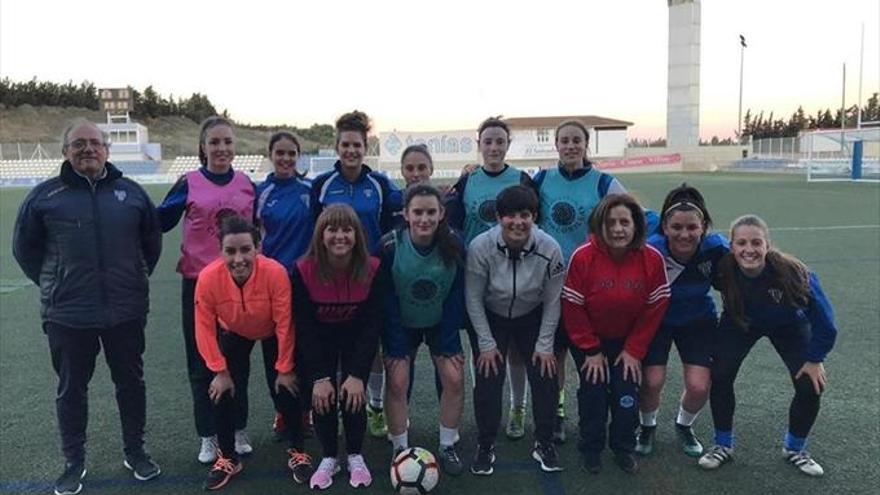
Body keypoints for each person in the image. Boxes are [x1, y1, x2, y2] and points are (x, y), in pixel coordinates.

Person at [12, 119, 162, 495]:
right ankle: (73, 462)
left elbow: (152, 246)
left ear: (107, 150)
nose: (87, 149)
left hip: (125, 311)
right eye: (78, 144)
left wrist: (132, 281)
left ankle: (135, 451)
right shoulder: (45, 197)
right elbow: (24, 250)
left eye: (94, 143)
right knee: (71, 389)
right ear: (65, 152)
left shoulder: (132, 193)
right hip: (68, 314)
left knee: (130, 383)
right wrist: (56, 284)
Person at [698, 215, 837, 477]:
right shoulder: (723, 265)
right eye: (741, 243)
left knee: (810, 383)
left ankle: (795, 448)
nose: (748, 249)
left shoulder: (794, 272)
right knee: (720, 374)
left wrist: (815, 359)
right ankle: (722, 445)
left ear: (767, 245)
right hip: (741, 322)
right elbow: (701, 238)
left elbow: (826, 322)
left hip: (789, 326)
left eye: (756, 242)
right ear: (731, 245)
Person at [157, 116, 257, 463]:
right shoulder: (189, 182)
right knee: (202, 364)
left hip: (240, 287)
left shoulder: (246, 183)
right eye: (214, 142)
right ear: (203, 147)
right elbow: (159, 221)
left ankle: (238, 427)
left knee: (238, 363)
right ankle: (209, 435)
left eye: (227, 142)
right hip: (199, 287)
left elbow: (258, 229)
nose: (222, 148)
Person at [194, 215, 311, 490]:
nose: (238, 259)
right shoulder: (208, 278)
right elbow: (203, 327)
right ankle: (228, 457)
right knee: (222, 389)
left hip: (270, 328)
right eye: (230, 251)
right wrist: (219, 371)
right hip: (234, 330)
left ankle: (297, 450)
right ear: (220, 251)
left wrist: (284, 368)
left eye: (246, 249)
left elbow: (285, 323)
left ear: (258, 248)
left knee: (288, 385)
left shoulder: (276, 272)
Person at [530, 119, 627, 443]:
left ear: (586, 145)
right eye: (565, 140)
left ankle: (601, 420)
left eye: (576, 140)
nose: (570, 146)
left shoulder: (603, 183)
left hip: (590, 284)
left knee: (590, 353)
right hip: (550, 283)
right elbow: (519, 210)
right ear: (556, 145)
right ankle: (557, 414)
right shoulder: (542, 179)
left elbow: (636, 217)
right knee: (553, 354)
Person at [561, 193, 670, 475]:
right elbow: (572, 306)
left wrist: (634, 349)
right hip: (592, 341)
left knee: (626, 395)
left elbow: (655, 306)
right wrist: (590, 350)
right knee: (594, 392)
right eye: (610, 222)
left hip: (628, 343)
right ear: (600, 225)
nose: (618, 229)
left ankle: (623, 447)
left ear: (636, 226)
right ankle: (591, 448)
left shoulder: (651, 259)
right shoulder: (583, 257)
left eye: (625, 222)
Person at [445, 117, 539, 441]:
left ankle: (517, 407)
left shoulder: (522, 179)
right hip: (477, 275)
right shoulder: (468, 180)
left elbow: (534, 222)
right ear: (480, 144)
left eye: (500, 141)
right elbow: (453, 221)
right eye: (488, 142)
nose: (494, 147)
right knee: (481, 346)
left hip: (517, 275)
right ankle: (486, 411)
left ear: (508, 145)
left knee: (514, 350)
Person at [311, 110, 400, 437]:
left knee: (371, 346)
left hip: (369, 276)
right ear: (337, 147)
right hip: (331, 277)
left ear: (366, 147)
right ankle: (328, 410)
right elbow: (313, 231)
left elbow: (397, 220)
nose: (351, 151)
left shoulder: (379, 184)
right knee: (333, 346)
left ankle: (374, 406)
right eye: (346, 145)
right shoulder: (322, 185)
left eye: (357, 145)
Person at [466, 185, 565, 475]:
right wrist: (486, 343)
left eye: (525, 215)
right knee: (488, 376)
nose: (518, 222)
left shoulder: (550, 247)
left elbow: (553, 300)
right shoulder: (480, 246)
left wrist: (545, 344)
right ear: (498, 217)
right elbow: (472, 297)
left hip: (531, 315)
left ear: (534, 216)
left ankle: (544, 442)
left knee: (545, 373)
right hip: (492, 314)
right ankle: (486, 444)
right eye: (510, 216)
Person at [291, 204, 387, 490]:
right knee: (321, 395)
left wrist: (357, 374)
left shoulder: (373, 268)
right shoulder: (302, 270)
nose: (340, 236)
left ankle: (355, 454)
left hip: (355, 340)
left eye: (347, 229)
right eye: (332, 229)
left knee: (353, 393)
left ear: (357, 235)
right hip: (319, 341)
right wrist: (320, 377)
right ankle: (330, 456)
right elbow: (304, 328)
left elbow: (372, 326)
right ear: (320, 235)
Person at [635, 184, 728, 458]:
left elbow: (737, 280)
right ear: (664, 226)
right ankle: (647, 426)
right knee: (651, 381)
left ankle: (684, 425)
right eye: (676, 227)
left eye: (692, 227)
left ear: (703, 227)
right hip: (657, 320)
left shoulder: (717, 248)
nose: (684, 234)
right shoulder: (651, 250)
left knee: (700, 385)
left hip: (698, 320)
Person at [379, 184, 466, 475]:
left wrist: (451, 338)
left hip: (440, 321)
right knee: (397, 380)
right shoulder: (390, 246)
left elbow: (457, 294)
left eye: (431, 212)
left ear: (442, 213)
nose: (424, 219)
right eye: (417, 212)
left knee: (454, 378)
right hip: (402, 323)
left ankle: (447, 445)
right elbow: (387, 297)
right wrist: (395, 345)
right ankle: (400, 448)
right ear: (405, 214)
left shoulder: (454, 243)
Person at [255, 131, 314, 439]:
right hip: (271, 284)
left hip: (305, 283)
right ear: (270, 154)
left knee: (304, 348)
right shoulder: (260, 192)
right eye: (280, 153)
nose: (286, 158)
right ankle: (281, 411)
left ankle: (305, 412)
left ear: (298, 156)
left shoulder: (310, 189)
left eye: (292, 153)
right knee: (274, 350)